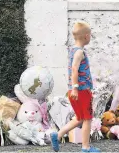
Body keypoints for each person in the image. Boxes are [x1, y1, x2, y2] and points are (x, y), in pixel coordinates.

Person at [50, 22, 100, 153]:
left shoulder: (73, 50)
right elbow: (74, 69)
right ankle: (86, 147)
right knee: (87, 119)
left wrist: (73, 89)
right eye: (90, 35)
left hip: (75, 91)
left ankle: (58, 135)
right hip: (81, 91)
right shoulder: (79, 52)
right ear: (86, 36)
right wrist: (76, 88)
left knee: (80, 118)